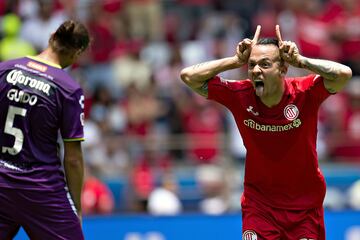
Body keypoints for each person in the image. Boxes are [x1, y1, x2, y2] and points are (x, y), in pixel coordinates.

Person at [180, 25, 352, 240]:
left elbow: (344, 74)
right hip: (260, 206)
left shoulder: (305, 92)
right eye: (252, 65)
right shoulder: (239, 94)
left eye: (265, 64)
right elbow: (188, 76)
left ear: (283, 69)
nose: (256, 70)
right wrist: (235, 61)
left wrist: (302, 61)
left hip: (304, 207)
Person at [0, 20, 90, 239]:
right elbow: (73, 159)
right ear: (78, 52)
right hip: (42, 190)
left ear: (51, 37)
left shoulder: (4, 69)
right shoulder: (68, 89)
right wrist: (75, 206)